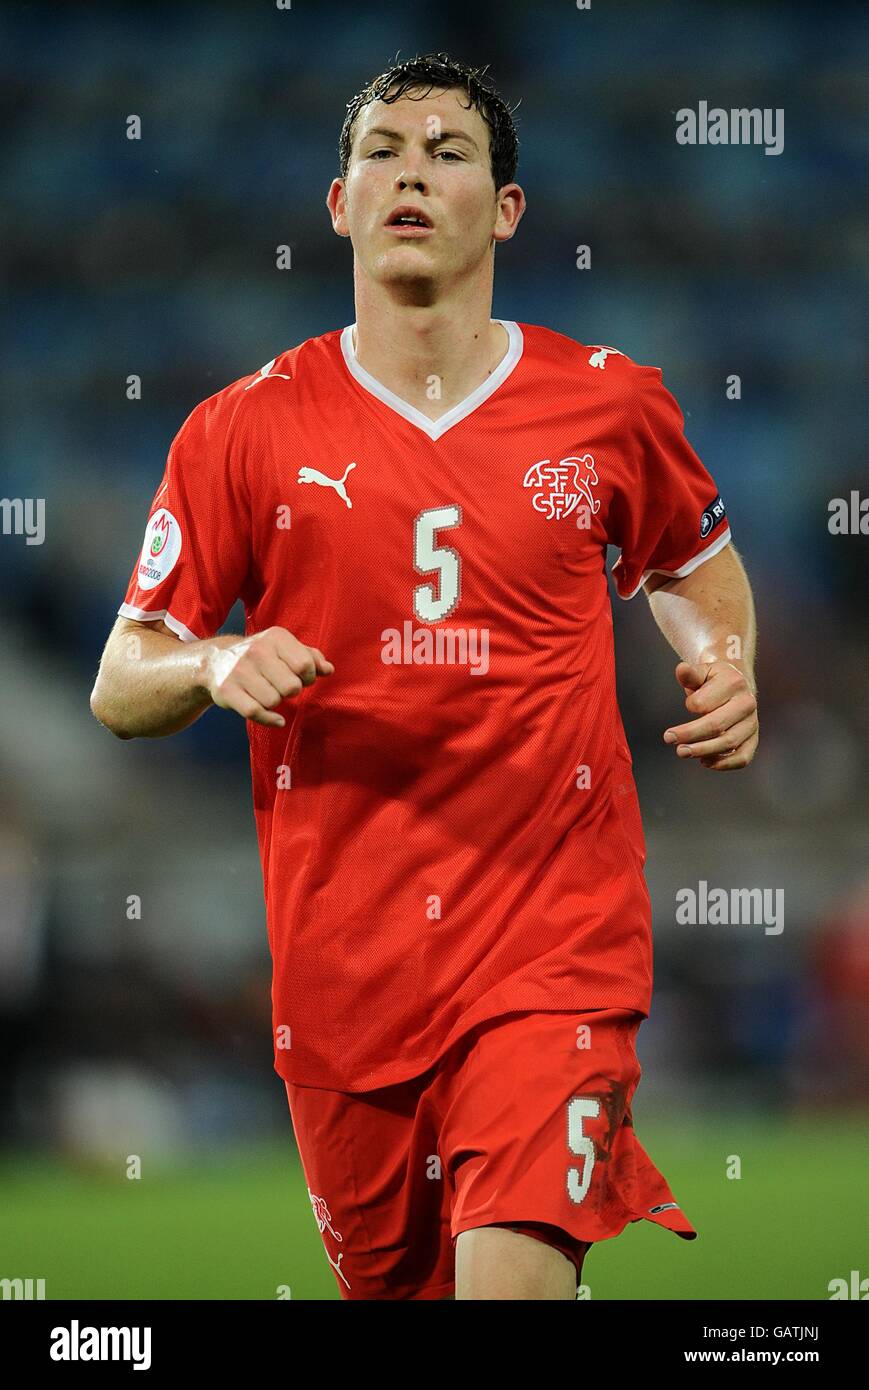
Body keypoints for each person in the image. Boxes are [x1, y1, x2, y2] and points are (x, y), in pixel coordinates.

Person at [90, 52, 759, 1300]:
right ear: (336, 204)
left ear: (504, 208)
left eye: (449, 152)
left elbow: (693, 561)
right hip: (343, 978)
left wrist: (722, 660)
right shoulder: (240, 428)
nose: (411, 172)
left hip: (551, 948)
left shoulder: (608, 406)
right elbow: (122, 678)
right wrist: (216, 654)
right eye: (381, 152)